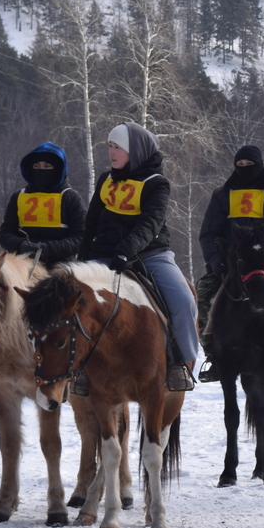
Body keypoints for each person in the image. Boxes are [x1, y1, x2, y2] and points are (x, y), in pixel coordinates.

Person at [80, 122, 202, 392]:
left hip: (150, 255)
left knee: (183, 301)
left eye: (118, 148)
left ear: (134, 151)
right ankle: (78, 369)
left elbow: (151, 223)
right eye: (110, 147)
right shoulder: (105, 179)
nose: (111, 153)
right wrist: (82, 262)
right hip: (104, 259)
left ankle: (180, 362)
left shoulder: (157, 183)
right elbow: (91, 225)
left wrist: (126, 250)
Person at [195, 145, 264, 382]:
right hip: (230, 263)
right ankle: (213, 355)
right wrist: (215, 259)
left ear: (260, 165)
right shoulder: (222, 195)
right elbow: (208, 233)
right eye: (239, 165)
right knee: (203, 295)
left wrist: (259, 245)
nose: (244, 169)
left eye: (249, 165)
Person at [0, 141, 87, 270]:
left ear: (58, 169)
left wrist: (49, 249)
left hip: (61, 268)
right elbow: (5, 233)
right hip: (22, 266)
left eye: (47, 166)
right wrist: (21, 245)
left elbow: (82, 237)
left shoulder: (70, 198)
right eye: (36, 166)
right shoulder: (18, 197)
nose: (41, 171)